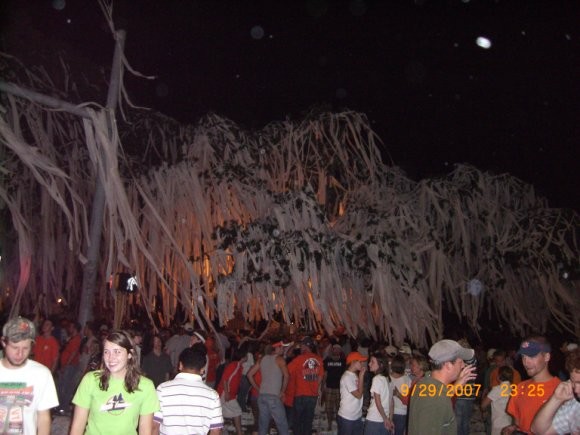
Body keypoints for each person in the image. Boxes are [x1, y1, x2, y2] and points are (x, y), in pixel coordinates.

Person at [69, 330, 159, 435]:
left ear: (130, 354)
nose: (111, 358)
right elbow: (78, 426)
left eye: (117, 352)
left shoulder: (145, 386)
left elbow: (145, 430)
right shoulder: (91, 380)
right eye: (106, 352)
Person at [0, 316, 59, 435]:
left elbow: (43, 418)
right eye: (15, 347)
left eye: (25, 348)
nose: (20, 354)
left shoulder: (42, 374)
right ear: (3, 342)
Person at [407, 339, 477, 435]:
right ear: (448, 365)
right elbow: (436, 402)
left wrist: (455, 387)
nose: (463, 366)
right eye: (460, 362)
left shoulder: (426, 383)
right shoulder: (433, 399)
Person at [154, 346, 224, 434]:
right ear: (202, 370)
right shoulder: (212, 395)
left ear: (180, 365)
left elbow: (154, 426)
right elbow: (215, 431)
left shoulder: (162, 389)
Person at [502, 336, 560, 434]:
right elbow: (518, 423)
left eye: (532, 356)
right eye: (523, 356)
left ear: (547, 357)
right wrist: (512, 429)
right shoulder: (520, 388)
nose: (526, 362)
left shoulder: (562, 391)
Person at [530, 347, 580, 434]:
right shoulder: (575, 405)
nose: (576, 390)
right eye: (573, 382)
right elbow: (539, 431)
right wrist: (556, 399)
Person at [248, 340, 290, 435]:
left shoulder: (262, 359)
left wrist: (258, 388)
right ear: (276, 348)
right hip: (273, 397)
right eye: (282, 347)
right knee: (282, 425)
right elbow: (287, 376)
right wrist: (282, 391)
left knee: (263, 425)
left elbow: (249, 374)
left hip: (262, 396)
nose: (283, 349)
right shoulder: (280, 359)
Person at [287, 336, 325, 435]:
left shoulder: (299, 359)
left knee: (297, 421)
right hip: (312, 395)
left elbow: (287, 371)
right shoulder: (319, 359)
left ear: (304, 346)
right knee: (308, 421)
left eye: (301, 345)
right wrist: (315, 387)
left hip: (300, 394)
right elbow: (321, 377)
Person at [216, 346, 247, 435]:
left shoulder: (239, 366)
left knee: (220, 412)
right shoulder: (234, 365)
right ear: (242, 357)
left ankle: (221, 431)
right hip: (225, 393)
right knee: (237, 411)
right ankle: (239, 432)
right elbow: (225, 379)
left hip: (228, 393)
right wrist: (226, 393)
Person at [337, 351, 367, 435]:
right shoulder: (347, 377)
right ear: (353, 362)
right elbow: (359, 395)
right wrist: (361, 376)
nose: (362, 364)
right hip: (347, 417)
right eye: (360, 362)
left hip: (357, 415)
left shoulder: (354, 375)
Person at [56, 320, 82, 414]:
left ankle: (63, 407)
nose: (69, 328)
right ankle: (60, 406)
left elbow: (73, 353)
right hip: (66, 365)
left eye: (71, 327)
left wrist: (66, 365)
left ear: (74, 328)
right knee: (62, 386)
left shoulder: (76, 339)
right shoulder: (71, 338)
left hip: (70, 366)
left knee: (65, 387)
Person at [364, 353, 394, 435]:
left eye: (372, 362)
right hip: (384, 420)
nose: (369, 364)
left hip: (374, 419)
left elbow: (378, 402)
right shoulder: (388, 379)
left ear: (381, 365)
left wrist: (385, 419)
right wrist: (390, 419)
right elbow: (391, 401)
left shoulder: (377, 379)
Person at [480, 366, 514, 435]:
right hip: (509, 422)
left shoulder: (497, 389)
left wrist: (483, 395)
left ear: (498, 377)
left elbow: (483, 405)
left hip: (498, 423)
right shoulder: (512, 389)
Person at [322, 343, 347, 430]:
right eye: (335, 349)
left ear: (340, 351)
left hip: (339, 388)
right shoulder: (327, 360)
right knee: (328, 407)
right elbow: (325, 374)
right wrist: (322, 386)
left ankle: (339, 425)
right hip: (329, 387)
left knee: (339, 408)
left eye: (338, 349)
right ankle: (329, 425)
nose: (336, 350)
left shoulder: (343, 361)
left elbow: (345, 375)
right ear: (332, 350)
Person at [388, 354, 411, 435]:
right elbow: (407, 399)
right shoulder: (407, 380)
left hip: (388, 411)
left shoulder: (387, 378)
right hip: (401, 412)